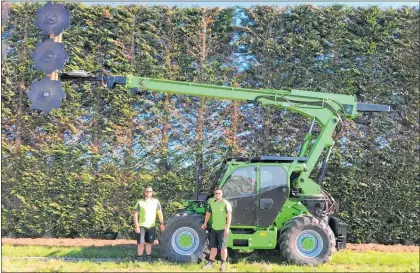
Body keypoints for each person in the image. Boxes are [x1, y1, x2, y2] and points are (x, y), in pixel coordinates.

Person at [201, 187, 232, 272]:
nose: (217, 195)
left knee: (223, 247)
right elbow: (208, 213)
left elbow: (229, 216)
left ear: (222, 194)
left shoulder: (226, 204)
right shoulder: (212, 203)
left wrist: (227, 228)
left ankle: (223, 264)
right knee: (213, 247)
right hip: (214, 229)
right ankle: (210, 263)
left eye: (219, 193)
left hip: (222, 229)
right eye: (216, 193)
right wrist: (205, 223)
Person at [132, 186, 165, 263]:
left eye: (150, 191)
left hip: (151, 226)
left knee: (149, 243)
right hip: (141, 226)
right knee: (141, 243)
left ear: (152, 192)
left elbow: (160, 213)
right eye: (147, 191)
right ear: (144, 192)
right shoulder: (139, 202)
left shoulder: (156, 202)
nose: (148, 193)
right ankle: (139, 259)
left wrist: (162, 223)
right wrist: (136, 225)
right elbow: (135, 214)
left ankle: (149, 259)